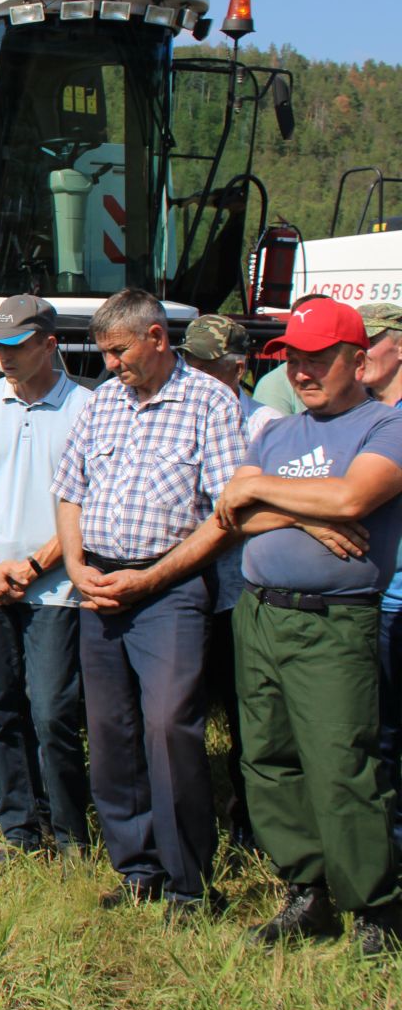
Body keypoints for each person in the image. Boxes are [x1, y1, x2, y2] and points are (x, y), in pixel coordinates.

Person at [213, 296, 402, 954]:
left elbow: (354, 497)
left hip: (333, 622)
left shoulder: (386, 425)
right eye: (292, 358)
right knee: (269, 760)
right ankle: (308, 892)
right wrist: (305, 513)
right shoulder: (273, 431)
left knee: (343, 764)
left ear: (358, 358)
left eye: (318, 358)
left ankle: (376, 908)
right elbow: (232, 514)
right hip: (260, 614)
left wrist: (269, 494)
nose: (302, 371)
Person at [53, 288, 245, 919]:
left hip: (170, 590)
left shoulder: (210, 403)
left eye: (118, 351)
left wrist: (154, 578)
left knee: (169, 727)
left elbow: (228, 518)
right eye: (103, 352)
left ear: (158, 338)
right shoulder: (101, 404)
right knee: (111, 732)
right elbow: (70, 493)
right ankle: (136, 867)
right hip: (100, 584)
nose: (109, 364)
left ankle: (190, 883)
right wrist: (78, 567)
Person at [0, 296, 92, 867]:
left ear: (50, 344)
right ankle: (19, 832)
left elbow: (85, 502)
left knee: (53, 710)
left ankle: (71, 833)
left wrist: (36, 565)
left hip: (56, 586)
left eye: (16, 346)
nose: (3, 356)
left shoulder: (88, 407)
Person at [181, 313, 285, 851]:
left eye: (206, 364)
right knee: (184, 713)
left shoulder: (263, 424)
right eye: (190, 360)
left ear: (237, 367)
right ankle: (193, 823)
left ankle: (250, 822)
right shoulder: (177, 411)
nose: (194, 371)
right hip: (180, 589)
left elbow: (257, 510)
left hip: (237, 591)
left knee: (249, 714)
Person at [364, 304, 402, 849]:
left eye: (370, 342)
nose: (358, 353)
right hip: (372, 600)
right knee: (380, 737)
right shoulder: (366, 418)